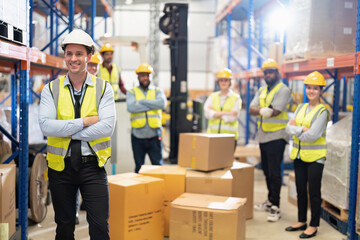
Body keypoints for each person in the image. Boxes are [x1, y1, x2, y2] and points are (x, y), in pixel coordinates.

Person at [39, 29, 116, 240]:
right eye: (69, 53)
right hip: (60, 168)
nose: (73, 59)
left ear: (89, 56)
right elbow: (46, 127)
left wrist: (67, 132)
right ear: (65, 56)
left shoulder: (103, 89)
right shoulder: (51, 89)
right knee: (64, 227)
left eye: (79, 54)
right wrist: (84, 122)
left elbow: (107, 127)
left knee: (100, 227)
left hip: (93, 166)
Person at [285, 71, 329, 239]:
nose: (311, 91)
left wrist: (296, 130)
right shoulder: (301, 108)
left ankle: (313, 225)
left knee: (314, 192)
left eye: (315, 89)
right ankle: (301, 221)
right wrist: (301, 129)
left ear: (321, 91)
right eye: (309, 88)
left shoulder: (322, 112)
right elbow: (287, 128)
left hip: (316, 158)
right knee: (300, 190)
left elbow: (313, 136)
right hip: (300, 155)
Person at [249, 59, 291, 222]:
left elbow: (274, 112)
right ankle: (270, 200)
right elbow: (251, 109)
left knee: (275, 173)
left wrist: (260, 109)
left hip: (277, 137)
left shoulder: (284, 90)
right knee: (266, 171)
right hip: (264, 136)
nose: (268, 75)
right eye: (265, 72)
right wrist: (262, 110)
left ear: (277, 73)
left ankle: (276, 206)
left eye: (271, 72)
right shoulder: (262, 90)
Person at [126, 63, 166, 173]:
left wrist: (143, 101)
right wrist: (152, 104)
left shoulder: (158, 91)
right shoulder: (132, 92)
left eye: (147, 75)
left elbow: (162, 104)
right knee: (139, 167)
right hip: (138, 137)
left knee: (158, 167)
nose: (145, 78)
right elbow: (131, 107)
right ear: (138, 77)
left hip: (154, 135)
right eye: (143, 75)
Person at [204, 68, 242, 147]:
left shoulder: (236, 98)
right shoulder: (212, 96)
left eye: (226, 80)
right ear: (218, 82)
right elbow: (207, 113)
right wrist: (226, 113)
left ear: (230, 82)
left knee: (226, 160)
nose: (223, 82)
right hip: (212, 137)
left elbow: (233, 117)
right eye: (221, 80)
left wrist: (215, 113)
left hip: (229, 138)